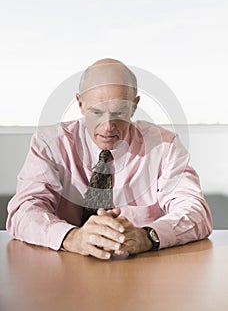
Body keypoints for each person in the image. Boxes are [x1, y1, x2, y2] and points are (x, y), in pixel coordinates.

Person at [7, 58, 213, 260]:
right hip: (64, 266)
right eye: (96, 112)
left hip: (143, 269)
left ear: (134, 106)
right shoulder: (49, 144)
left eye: (119, 112)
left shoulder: (165, 147)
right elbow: (24, 211)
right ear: (80, 103)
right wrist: (71, 237)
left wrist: (148, 236)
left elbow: (195, 211)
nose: (107, 126)